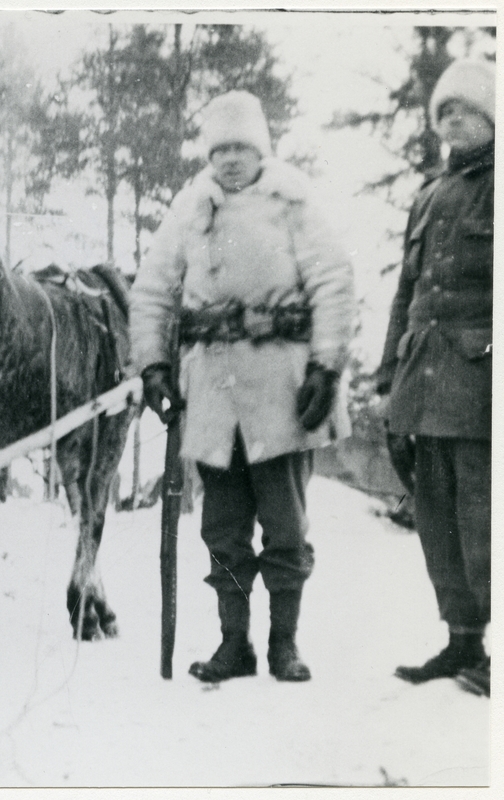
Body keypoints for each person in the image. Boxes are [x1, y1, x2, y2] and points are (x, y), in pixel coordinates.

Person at [130, 91, 355, 684]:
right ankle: (235, 644)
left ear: (261, 150)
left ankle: (284, 644)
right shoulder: (189, 208)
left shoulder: (292, 201)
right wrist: (152, 366)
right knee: (223, 530)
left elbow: (333, 281)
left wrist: (326, 367)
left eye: (241, 147)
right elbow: (153, 289)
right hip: (211, 394)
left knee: (285, 527)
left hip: (282, 391)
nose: (230, 159)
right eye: (220, 149)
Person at [376, 59, 492, 697]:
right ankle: (463, 642)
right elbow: (406, 292)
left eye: (466, 109)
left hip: (482, 383)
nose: (453, 120)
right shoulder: (429, 195)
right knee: (438, 518)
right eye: (444, 111)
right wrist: (387, 373)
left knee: (485, 517)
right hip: (424, 379)